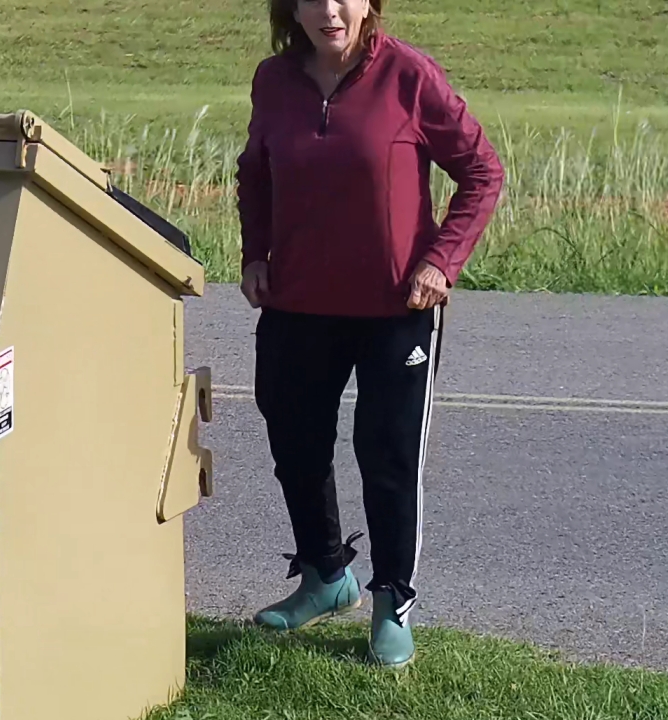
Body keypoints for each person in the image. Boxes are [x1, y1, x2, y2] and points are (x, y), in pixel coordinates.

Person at [235, 0, 504, 669]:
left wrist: (442, 261)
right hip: (297, 302)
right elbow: (255, 173)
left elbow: (482, 172)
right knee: (295, 443)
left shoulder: (409, 75)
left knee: (387, 456)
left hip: (396, 307)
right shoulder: (274, 79)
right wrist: (255, 253)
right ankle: (326, 577)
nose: (329, 10)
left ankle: (392, 603)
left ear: (369, 5)